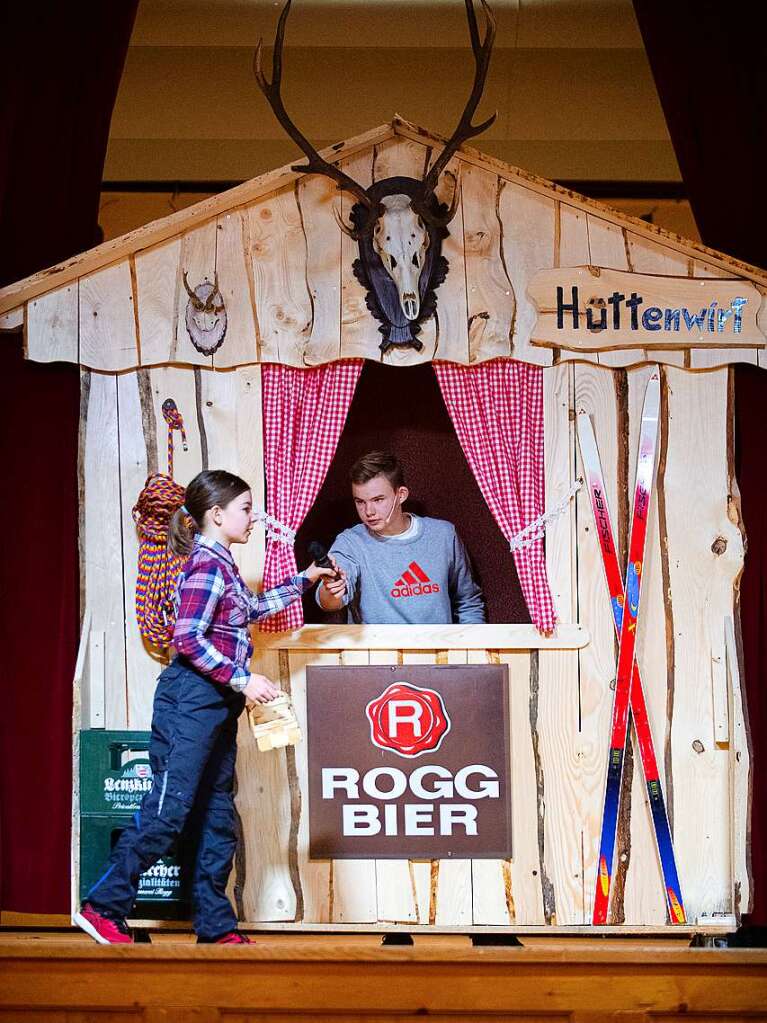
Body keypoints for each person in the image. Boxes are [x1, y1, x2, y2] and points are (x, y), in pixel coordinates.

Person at [74, 469, 335, 945]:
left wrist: (303, 580)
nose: (252, 518)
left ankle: (215, 925)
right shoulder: (205, 565)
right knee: (170, 810)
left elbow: (250, 611)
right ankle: (102, 905)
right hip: (190, 700)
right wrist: (241, 677)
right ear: (216, 515)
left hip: (216, 704)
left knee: (217, 814)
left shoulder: (223, 564)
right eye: (245, 509)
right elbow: (186, 638)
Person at [317, 451, 485, 624]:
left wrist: (472, 649)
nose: (369, 511)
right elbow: (330, 603)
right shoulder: (350, 542)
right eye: (360, 502)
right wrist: (331, 590)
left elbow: (469, 602)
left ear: (401, 495)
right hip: (376, 649)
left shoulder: (443, 535)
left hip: (437, 648)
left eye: (378, 499)